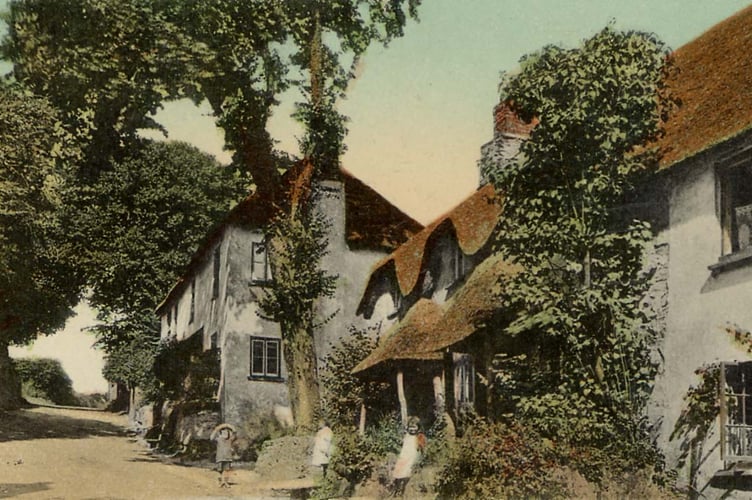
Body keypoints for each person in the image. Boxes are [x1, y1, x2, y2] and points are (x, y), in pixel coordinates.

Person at [391, 416, 426, 497]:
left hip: (412, 457)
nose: (412, 429)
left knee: (407, 473)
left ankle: (403, 490)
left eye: (414, 427)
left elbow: (421, 448)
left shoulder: (419, 436)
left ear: (418, 427)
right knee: (398, 472)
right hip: (403, 457)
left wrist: (419, 458)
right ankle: (397, 490)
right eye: (410, 427)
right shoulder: (406, 435)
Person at [210, 423, 236, 488]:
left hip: (228, 457)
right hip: (220, 457)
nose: (226, 434)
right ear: (221, 433)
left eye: (227, 433)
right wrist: (216, 429)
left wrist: (230, 427)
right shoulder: (218, 439)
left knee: (227, 470)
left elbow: (235, 433)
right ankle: (221, 482)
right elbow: (211, 438)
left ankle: (226, 482)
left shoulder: (230, 440)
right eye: (224, 433)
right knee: (220, 470)